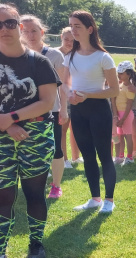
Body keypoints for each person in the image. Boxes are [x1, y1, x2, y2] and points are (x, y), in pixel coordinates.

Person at [0, 3, 61, 258]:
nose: (4, 29)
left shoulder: (39, 62)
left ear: (20, 26)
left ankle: (36, 243)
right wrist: (6, 126)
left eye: (9, 23)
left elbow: (48, 101)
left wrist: (12, 118)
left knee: (34, 192)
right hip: (1, 136)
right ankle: (0, 252)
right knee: (3, 195)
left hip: (35, 135)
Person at [63, 10, 118, 214]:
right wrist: (70, 94)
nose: (73, 30)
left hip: (98, 111)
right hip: (78, 111)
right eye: (71, 25)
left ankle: (109, 200)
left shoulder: (103, 57)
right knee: (87, 155)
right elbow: (65, 84)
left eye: (77, 26)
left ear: (89, 29)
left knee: (104, 155)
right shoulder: (70, 56)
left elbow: (114, 90)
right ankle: (95, 198)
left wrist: (86, 95)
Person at [20, 14, 68, 199]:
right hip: (23, 111)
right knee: (25, 148)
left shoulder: (54, 55)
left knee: (55, 149)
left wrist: (64, 109)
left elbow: (63, 85)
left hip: (51, 110)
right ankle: (29, 184)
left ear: (42, 32)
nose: (30, 35)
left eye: (34, 31)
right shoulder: (15, 54)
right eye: (25, 31)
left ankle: (56, 186)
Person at [58, 26, 80, 167]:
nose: (69, 42)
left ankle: (75, 157)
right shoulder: (56, 54)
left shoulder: (77, 54)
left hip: (75, 95)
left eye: (72, 40)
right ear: (61, 38)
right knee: (62, 129)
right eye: (66, 39)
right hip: (60, 97)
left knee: (76, 127)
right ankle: (64, 159)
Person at [112, 60, 136, 165]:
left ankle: (129, 157)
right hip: (118, 114)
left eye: (121, 73)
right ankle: (120, 156)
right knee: (120, 136)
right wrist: (116, 116)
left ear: (129, 74)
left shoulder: (130, 88)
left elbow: (129, 105)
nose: (119, 75)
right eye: (118, 73)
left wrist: (123, 119)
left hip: (126, 115)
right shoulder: (120, 85)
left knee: (128, 136)